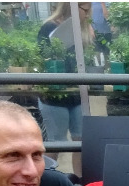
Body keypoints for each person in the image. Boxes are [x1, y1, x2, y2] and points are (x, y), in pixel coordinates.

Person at [37, 2, 93, 176]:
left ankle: (80, 182)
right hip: (54, 97)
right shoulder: (49, 27)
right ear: (72, 6)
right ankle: (46, 179)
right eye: (85, 10)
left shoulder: (84, 28)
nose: (88, 14)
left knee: (81, 142)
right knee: (56, 142)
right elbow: (42, 58)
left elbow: (87, 61)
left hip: (77, 95)